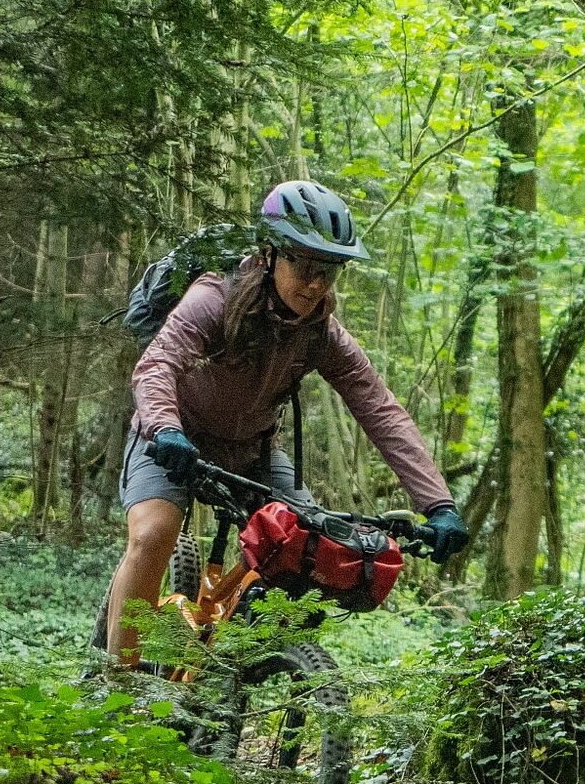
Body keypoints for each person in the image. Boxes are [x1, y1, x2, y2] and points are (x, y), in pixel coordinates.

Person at [104, 179, 470, 660]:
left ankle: (242, 671)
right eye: (304, 265)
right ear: (269, 254)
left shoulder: (322, 334)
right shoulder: (214, 298)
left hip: (252, 452)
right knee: (153, 535)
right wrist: (166, 428)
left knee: (314, 550)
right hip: (171, 441)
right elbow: (157, 365)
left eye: (328, 271)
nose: (315, 283)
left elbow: (380, 411)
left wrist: (438, 504)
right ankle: (118, 681)